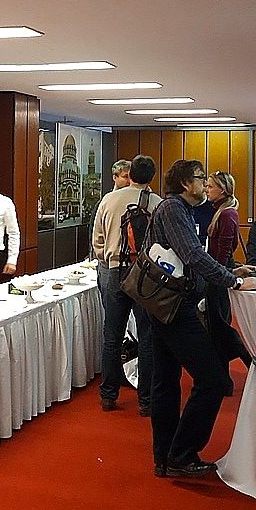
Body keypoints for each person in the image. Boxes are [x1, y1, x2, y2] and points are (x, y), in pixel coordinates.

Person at [144, 159, 256, 478]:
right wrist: (234, 281)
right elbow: (193, 255)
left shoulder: (180, 210)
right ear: (186, 183)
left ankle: (166, 457)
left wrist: (229, 270)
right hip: (172, 307)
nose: (204, 184)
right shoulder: (173, 209)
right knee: (213, 380)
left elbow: (193, 256)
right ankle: (181, 453)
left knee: (166, 381)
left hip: (166, 304)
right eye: (200, 178)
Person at [92, 155, 161, 415]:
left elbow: (97, 239)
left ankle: (108, 394)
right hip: (145, 275)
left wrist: (107, 258)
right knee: (146, 337)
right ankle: (146, 400)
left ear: (130, 174)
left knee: (112, 335)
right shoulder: (157, 203)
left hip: (114, 271)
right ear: (152, 177)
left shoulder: (109, 200)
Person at [203, 170, 252, 393]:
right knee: (217, 331)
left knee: (221, 329)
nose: (206, 189)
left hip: (218, 278)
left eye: (210, 186)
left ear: (222, 190)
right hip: (218, 274)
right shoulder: (220, 212)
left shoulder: (227, 214)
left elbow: (223, 254)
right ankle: (223, 379)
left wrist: (221, 275)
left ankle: (250, 364)